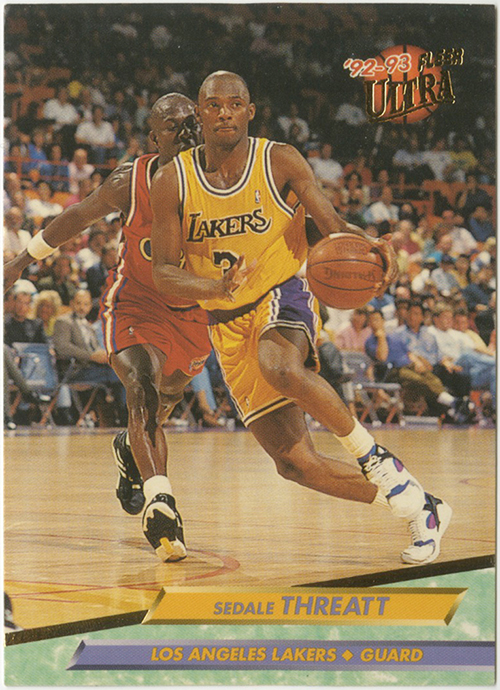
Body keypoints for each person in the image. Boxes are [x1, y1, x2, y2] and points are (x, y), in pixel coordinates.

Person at [150, 70, 451, 566]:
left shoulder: (279, 160)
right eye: (214, 104)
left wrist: (370, 245)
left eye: (235, 103)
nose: (224, 112)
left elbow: (331, 227)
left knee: (281, 366)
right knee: (296, 464)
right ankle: (423, 506)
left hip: (282, 291)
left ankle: (374, 456)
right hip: (225, 321)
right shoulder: (172, 180)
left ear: (250, 111)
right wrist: (213, 288)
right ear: (200, 113)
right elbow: (163, 272)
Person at [4, 93, 209, 563]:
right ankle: (161, 503)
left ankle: (128, 447)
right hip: (138, 302)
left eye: (191, 123)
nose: (186, 131)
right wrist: (20, 261)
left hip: (195, 309)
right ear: (155, 139)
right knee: (143, 389)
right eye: (173, 126)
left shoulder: (220, 180)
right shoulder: (130, 180)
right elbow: (77, 217)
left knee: (166, 400)